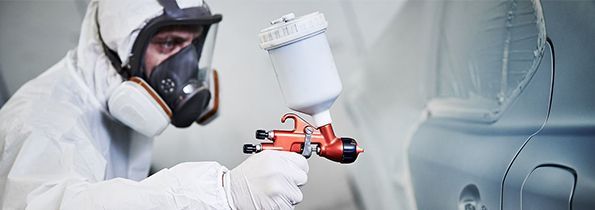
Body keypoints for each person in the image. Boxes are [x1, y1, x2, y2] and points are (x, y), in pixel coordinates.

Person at [0, 0, 308, 209]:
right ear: (118, 51)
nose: (185, 64)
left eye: (192, 44)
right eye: (169, 43)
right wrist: (222, 193)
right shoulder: (40, 121)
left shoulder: (114, 105)